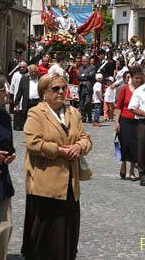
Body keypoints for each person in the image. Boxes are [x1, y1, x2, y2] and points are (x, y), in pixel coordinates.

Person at [21, 73, 92, 260]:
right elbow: (33, 143)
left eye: (63, 88)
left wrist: (78, 147)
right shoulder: (36, 113)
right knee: (46, 238)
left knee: (68, 234)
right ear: (44, 92)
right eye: (55, 89)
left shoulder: (73, 113)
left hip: (70, 185)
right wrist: (60, 150)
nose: (61, 92)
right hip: (45, 186)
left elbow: (86, 139)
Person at [0, 74, 16, 260]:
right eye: (3, 89)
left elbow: (9, 143)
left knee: (4, 227)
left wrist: (12, 154)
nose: (6, 92)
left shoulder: (3, 115)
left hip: (0, 179)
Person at [115, 67, 143, 181]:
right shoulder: (124, 89)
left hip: (137, 121)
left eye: (139, 79)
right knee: (124, 144)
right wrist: (117, 121)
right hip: (125, 121)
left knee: (135, 146)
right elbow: (119, 107)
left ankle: (132, 170)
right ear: (131, 78)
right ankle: (123, 164)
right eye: (136, 78)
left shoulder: (142, 91)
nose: (138, 80)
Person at [9, 61, 29, 131]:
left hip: (25, 95)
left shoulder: (28, 75)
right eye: (20, 67)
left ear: (26, 67)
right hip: (17, 94)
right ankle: (17, 125)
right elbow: (12, 85)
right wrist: (11, 97)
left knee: (24, 110)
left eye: (23, 67)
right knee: (17, 110)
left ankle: (24, 125)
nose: (22, 68)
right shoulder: (15, 74)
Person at [77, 56, 96, 123]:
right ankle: (83, 117)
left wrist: (83, 76)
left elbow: (91, 76)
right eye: (82, 61)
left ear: (88, 61)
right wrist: (85, 76)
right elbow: (78, 76)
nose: (83, 62)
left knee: (87, 102)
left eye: (84, 61)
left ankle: (89, 116)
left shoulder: (92, 67)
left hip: (88, 87)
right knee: (81, 102)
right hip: (81, 87)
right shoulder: (80, 68)